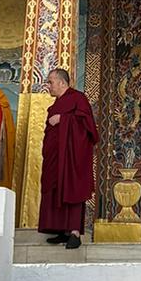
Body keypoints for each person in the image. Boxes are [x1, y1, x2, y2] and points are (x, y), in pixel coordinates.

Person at [38, 67, 97, 249]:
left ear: (62, 83)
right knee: (54, 187)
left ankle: (74, 232)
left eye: (50, 82)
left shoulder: (78, 98)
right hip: (55, 155)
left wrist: (64, 120)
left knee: (71, 188)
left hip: (72, 156)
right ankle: (60, 229)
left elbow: (88, 126)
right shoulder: (56, 104)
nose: (48, 86)